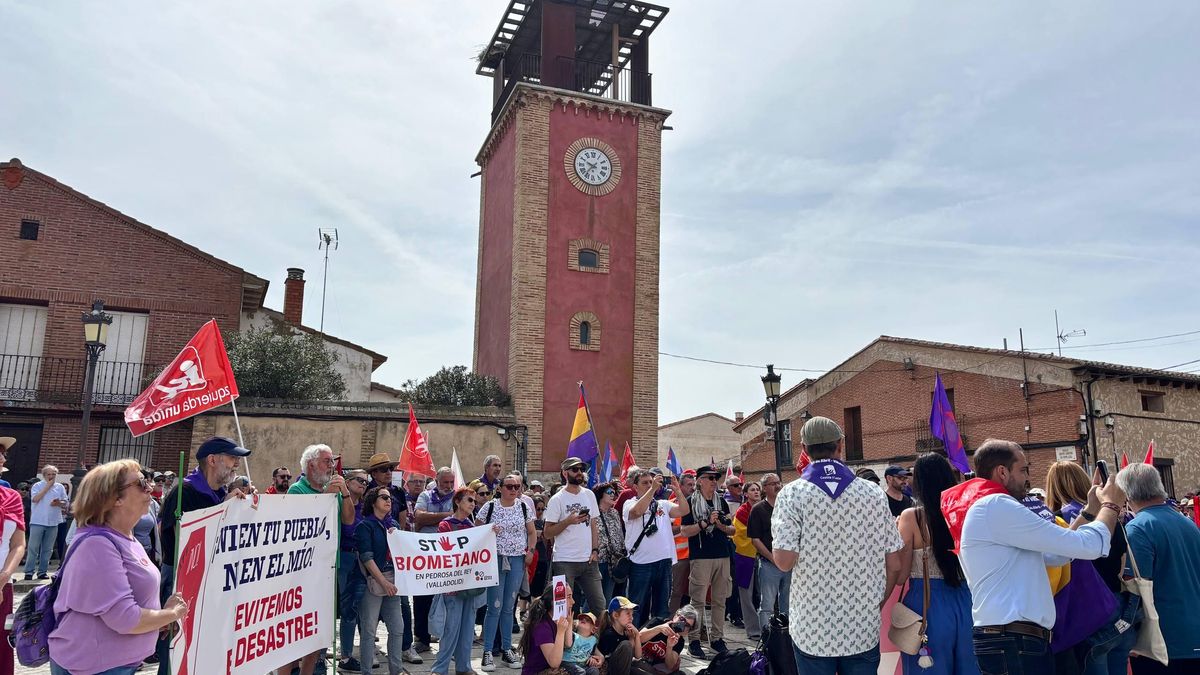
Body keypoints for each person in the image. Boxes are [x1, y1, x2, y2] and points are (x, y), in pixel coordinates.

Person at [940, 439, 1124, 675]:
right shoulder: (997, 505)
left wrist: (1089, 511)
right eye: (1023, 469)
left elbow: (1059, 553)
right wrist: (1111, 505)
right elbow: (1089, 546)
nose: (1028, 478)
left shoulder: (988, 506)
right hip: (1014, 640)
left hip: (1011, 639)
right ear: (1003, 472)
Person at [771, 416, 904, 674]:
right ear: (840, 445)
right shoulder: (873, 493)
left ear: (804, 450)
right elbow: (895, 563)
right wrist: (877, 601)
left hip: (812, 627)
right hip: (861, 625)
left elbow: (784, 562)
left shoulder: (791, 494)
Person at [49, 460, 189, 675]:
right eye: (141, 482)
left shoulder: (125, 537)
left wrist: (157, 619)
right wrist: (172, 613)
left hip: (116, 662)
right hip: (94, 666)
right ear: (115, 498)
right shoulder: (98, 544)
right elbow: (126, 619)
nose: (150, 486)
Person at [155, 436, 252, 674]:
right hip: (181, 582)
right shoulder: (184, 492)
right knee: (178, 650)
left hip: (211, 581)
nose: (236, 465)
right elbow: (186, 543)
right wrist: (223, 509)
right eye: (232, 458)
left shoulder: (219, 493)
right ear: (212, 460)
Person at [1046, 461, 1135, 675]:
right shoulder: (1112, 516)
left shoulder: (1059, 520)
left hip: (1087, 611)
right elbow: (1122, 561)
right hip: (1119, 605)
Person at [895, 453, 978, 675]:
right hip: (968, 601)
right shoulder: (967, 513)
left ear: (920, 482)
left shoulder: (911, 517)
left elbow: (901, 576)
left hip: (926, 603)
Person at [1118, 463, 1200, 675]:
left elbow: (1135, 588)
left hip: (1162, 643)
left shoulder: (1138, 528)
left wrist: (1127, 632)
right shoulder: (1187, 523)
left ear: (1127, 493)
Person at [284, 443, 354, 675]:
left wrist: (344, 492)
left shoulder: (334, 490)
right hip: (301, 571)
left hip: (326, 568)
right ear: (311, 464)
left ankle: (311, 668)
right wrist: (326, 496)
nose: (331, 466)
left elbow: (348, 520)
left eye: (332, 462)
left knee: (317, 625)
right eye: (327, 461)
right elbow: (302, 526)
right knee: (296, 626)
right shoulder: (297, 490)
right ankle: (293, 667)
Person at [478, 473, 537, 671]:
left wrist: (530, 551)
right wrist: (488, 530)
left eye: (517, 487)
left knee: (508, 606)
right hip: (495, 559)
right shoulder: (490, 507)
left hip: (517, 560)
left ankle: (506, 649)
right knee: (494, 605)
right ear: (500, 488)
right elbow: (476, 532)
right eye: (509, 486)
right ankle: (487, 651)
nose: (513, 490)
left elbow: (531, 532)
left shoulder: (523, 506)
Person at [680, 464, 734, 659]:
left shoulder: (722, 502)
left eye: (716, 478)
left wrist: (719, 524)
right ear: (699, 481)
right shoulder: (689, 503)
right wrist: (705, 523)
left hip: (722, 554)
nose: (714, 482)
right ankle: (694, 640)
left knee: (720, 599)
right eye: (710, 478)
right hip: (701, 557)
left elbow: (732, 530)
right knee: (698, 601)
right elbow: (685, 531)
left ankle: (717, 639)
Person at [622, 469, 688, 626]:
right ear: (635, 487)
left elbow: (684, 510)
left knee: (662, 609)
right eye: (645, 483)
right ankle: (635, 644)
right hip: (641, 564)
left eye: (651, 482)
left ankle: (657, 642)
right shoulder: (629, 503)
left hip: (664, 562)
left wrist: (678, 491)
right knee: (637, 607)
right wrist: (652, 490)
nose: (649, 485)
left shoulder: (662, 504)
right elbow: (637, 511)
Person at [433, 487, 484, 675]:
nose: (473, 504)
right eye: (469, 500)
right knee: (451, 628)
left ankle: (464, 667)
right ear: (458, 502)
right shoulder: (446, 525)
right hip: (452, 585)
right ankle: (440, 668)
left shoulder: (472, 527)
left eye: (474, 501)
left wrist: (488, 533)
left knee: (467, 628)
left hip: (469, 584)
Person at [544, 457, 606, 615]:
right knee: (561, 608)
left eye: (581, 469)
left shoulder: (589, 495)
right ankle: (562, 639)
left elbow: (593, 525)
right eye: (575, 469)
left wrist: (595, 550)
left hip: (588, 561)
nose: (579, 473)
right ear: (565, 473)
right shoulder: (556, 499)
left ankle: (601, 639)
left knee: (600, 606)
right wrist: (568, 521)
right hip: (563, 561)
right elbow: (547, 532)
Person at [355, 486, 407, 675]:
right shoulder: (364, 526)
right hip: (373, 582)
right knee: (369, 630)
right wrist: (383, 582)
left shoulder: (394, 525)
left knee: (397, 628)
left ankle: (397, 670)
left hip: (393, 580)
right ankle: (366, 672)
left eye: (390, 498)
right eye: (383, 497)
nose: (389, 500)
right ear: (373, 501)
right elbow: (366, 558)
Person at [413, 467, 458, 653]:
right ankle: (421, 637)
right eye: (444, 482)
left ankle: (445, 638)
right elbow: (419, 517)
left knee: (447, 598)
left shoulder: (457, 498)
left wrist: (432, 519)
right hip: (426, 555)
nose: (448, 486)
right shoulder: (425, 495)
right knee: (422, 596)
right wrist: (447, 517)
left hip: (447, 556)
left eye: (450, 482)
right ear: (437, 481)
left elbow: (458, 521)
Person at [337, 469, 372, 673]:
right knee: (340, 608)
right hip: (344, 556)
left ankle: (347, 654)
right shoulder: (339, 502)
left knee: (352, 610)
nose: (363, 484)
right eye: (359, 480)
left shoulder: (366, 507)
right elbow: (349, 528)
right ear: (347, 482)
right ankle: (329, 657)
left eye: (366, 482)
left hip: (361, 558)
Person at [748, 472, 789, 629]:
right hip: (768, 564)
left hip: (788, 563)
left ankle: (787, 639)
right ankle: (767, 641)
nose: (778, 486)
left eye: (779, 482)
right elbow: (755, 539)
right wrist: (773, 558)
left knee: (788, 604)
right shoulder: (758, 509)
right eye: (773, 483)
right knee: (767, 606)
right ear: (765, 488)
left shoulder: (787, 506)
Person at [520, 584, 578, 675]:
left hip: (548, 670)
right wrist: (560, 632)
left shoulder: (557, 620)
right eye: (569, 597)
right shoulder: (542, 626)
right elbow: (554, 663)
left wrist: (569, 624)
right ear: (554, 602)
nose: (573, 601)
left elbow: (568, 644)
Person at [0, 476, 25, 672]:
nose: (2, 458)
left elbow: (18, 545)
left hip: (3, 587)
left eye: (3, 454)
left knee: (1, 646)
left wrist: (4, 577)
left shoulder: (12, 497)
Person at [26, 464, 67, 580]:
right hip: (38, 520)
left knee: (48, 549)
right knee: (33, 547)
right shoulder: (37, 486)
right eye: (49, 474)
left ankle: (42, 572)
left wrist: (59, 503)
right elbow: (35, 499)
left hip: (53, 521)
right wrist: (47, 487)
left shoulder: (60, 487)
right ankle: (29, 571)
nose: (51, 476)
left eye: (53, 474)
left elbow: (65, 502)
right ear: (44, 475)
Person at [731, 480, 762, 639]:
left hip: (763, 556)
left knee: (763, 594)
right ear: (745, 494)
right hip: (746, 557)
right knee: (746, 594)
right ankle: (753, 630)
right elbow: (739, 534)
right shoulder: (742, 512)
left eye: (757, 489)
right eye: (752, 490)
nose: (756, 492)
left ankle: (765, 626)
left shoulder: (764, 508)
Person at [668, 471, 697, 614]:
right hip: (679, 557)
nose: (692, 488)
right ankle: (670, 623)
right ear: (680, 486)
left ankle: (691, 624)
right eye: (689, 485)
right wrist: (686, 528)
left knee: (694, 593)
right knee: (676, 592)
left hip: (696, 555)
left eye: (694, 485)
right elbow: (667, 529)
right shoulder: (672, 505)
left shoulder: (698, 505)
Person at [593, 482, 626, 604]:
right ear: (600, 495)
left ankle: (606, 621)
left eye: (614, 493)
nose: (613, 495)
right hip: (600, 560)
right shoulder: (593, 514)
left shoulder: (614, 513)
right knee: (597, 597)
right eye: (609, 493)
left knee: (610, 596)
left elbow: (619, 534)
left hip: (614, 561)